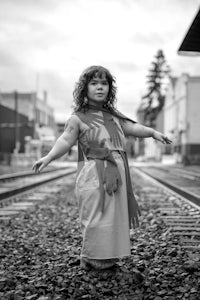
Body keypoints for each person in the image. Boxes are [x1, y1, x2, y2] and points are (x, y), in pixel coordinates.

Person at [32, 65, 172, 271]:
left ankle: (109, 258)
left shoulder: (113, 115)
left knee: (113, 215)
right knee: (96, 213)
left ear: (109, 88)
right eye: (94, 83)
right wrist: (49, 157)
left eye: (104, 83)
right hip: (94, 172)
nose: (100, 87)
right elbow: (65, 140)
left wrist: (152, 133)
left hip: (117, 171)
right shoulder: (77, 118)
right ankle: (92, 257)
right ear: (85, 88)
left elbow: (133, 127)